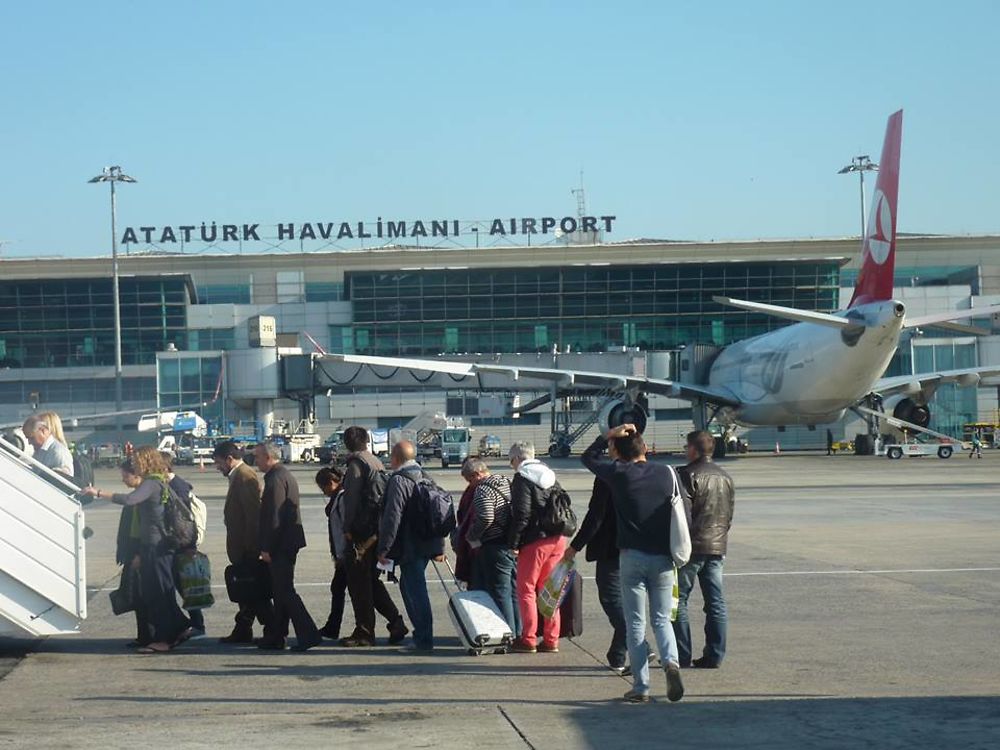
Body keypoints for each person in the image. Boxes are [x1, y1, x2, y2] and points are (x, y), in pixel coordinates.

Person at [582, 424, 685, 704]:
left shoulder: (618, 473)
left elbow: (588, 458)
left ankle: (641, 687)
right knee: (662, 620)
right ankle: (671, 664)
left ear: (619, 453)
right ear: (646, 450)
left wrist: (609, 434)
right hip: (663, 556)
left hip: (631, 557)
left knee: (635, 623)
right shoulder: (667, 472)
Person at [84, 446, 191, 653]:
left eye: (135, 460)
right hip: (160, 546)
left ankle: (164, 639)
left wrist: (97, 492)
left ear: (145, 461)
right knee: (162, 591)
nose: (132, 464)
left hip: (155, 547)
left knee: (156, 593)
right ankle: (180, 627)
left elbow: (130, 499)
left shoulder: (151, 483)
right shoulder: (158, 481)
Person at [339, 426, 407, 647]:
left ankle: (365, 632)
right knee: (371, 581)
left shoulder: (356, 464)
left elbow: (351, 500)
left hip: (361, 533)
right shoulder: (375, 462)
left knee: (359, 584)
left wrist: (347, 528)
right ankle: (396, 622)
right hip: (376, 530)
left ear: (347, 443)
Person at [673, 430, 735, 670]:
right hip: (717, 546)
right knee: (715, 602)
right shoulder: (725, 477)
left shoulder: (687, 475)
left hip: (691, 547)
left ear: (693, 449)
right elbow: (728, 514)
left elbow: (682, 515)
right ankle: (715, 654)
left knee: (678, 602)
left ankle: (681, 653)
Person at [378, 441, 445, 652]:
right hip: (426, 543)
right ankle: (422, 636)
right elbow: (439, 511)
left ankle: (423, 640)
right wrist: (439, 547)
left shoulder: (399, 480)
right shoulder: (426, 476)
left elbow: (392, 517)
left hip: (410, 546)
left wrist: (384, 548)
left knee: (415, 591)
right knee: (410, 588)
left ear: (396, 458)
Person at [254, 441, 320, 651]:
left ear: (268, 457)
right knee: (280, 591)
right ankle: (277, 635)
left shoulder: (275, 479)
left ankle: (308, 634)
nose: (255, 461)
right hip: (287, 542)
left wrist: (266, 547)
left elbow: (275, 517)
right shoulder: (282, 475)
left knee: (285, 591)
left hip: (281, 544)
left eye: (257, 457)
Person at [213, 440, 275, 645]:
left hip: (247, 548)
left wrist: (252, 548)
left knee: (256, 593)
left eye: (219, 462)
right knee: (246, 591)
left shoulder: (245, 476)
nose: (217, 467)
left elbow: (253, 515)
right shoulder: (236, 476)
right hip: (241, 547)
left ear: (229, 459)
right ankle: (243, 629)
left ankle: (272, 631)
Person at [508, 441, 567, 654]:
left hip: (536, 540)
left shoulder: (522, 478)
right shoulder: (551, 476)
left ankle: (529, 638)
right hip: (558, 538)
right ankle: (551, 639)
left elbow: (521, 514)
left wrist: (514, 543)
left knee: (526, 589)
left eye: (511, 460)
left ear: (517, 459)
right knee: (549, 590)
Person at [564, 477, 628, 673]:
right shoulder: (652, 472)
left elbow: (596, 516)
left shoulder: (608, 477)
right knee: (627, 601)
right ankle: (620, 652)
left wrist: (575, 546)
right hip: (640, 548)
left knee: (611, 597)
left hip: (613, 548)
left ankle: (637, 641)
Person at [464, 457, 519, 635]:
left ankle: (507, 632)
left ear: (477, 474)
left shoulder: (483, 489)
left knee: (500, 592)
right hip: (511, 543)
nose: (470, 485)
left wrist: (472, 535)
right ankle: (519, 631)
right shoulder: (505, 481)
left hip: (494, 544)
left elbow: (486, 517)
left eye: (469, 480)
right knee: (514, 592)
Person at [162, 451, 207, 639]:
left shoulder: (176, 487)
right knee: (181, 586)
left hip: (182, 545)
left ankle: (197, 625)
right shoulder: (175, 484)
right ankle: (194, 624)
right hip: (181, 544)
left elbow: (182, 519)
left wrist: (186, 544)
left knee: (184, 586)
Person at [114, 461, 150, 648]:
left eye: (125, 475)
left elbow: (143, 531)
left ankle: (149, 635)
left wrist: (139, 554)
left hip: (141, 553)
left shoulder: (140, 499)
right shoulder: (134, 498)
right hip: (132, 552)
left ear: (136, 475)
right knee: (136, 596)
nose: (123, 479)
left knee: (143, 597)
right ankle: (143, 634)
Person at [316, 466, 349, 640]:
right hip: (342, 554)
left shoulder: (342, 498)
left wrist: (342, 554)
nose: (324, 492)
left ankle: (333, 627)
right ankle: (332, 626)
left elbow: (345, 528)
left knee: (339, 588)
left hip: (346, 554)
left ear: (331, 483)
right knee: (338, 588)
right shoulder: (338, 497)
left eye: (324, 488)